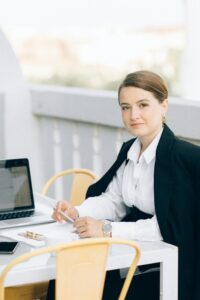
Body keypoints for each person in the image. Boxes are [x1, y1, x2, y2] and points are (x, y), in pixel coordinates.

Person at [47, 70, 200, 300]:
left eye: (143, 105)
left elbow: (168, 227)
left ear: (164, 105)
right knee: (65, 277)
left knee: (95, 288)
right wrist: (77, 210)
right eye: (125, 107)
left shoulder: (181, 157)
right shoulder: (129, 150)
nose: (133, 114)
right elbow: (114, 200)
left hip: (173, 267)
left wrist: (107, 230)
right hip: (139, 254)